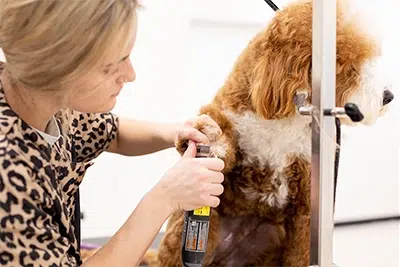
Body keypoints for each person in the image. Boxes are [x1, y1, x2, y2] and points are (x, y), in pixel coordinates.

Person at [0, 1, 225, 266]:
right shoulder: (9, 173)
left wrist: (174, 132)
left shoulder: (42, 97)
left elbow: (112, 132)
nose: (130, 75)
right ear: (60, 65)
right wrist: (164, 198)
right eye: (113, 65)